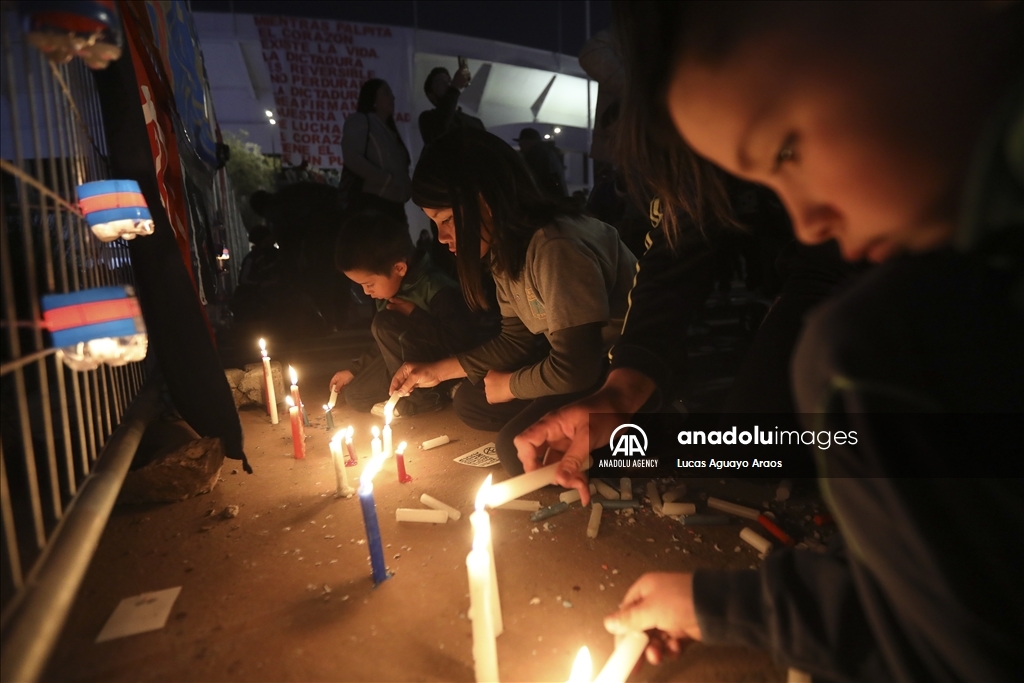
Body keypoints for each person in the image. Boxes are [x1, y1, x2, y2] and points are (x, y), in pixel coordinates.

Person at [517, 2, 1024, 682]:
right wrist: (619, 392)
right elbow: (685, 238)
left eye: (787, 150)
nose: (806, 221)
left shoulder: (875, 357)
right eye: (758, 180)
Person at [388, 127, 638, 473]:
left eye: (446, 220)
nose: (442, 237)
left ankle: (655, 434)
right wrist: (436, 371)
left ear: (485, 202)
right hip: (587, 372)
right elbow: (515, 339)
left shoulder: (555, 247)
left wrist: (510, 385)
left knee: (514, 450)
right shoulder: (507, 251)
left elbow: (577, 368)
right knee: (471, 402)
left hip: (620, 375)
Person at [329, 210, 484, 415]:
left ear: (399, 268)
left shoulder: (437, 289)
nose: (367, 292)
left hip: (440, 365)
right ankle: (406, 394)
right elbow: (385, 344)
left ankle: (428, 397)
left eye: (369, 284)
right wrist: (354, 370)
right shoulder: (389, 290)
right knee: (356, 395)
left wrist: (415, 315)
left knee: (383, 323)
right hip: (400, 364)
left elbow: (460, 341)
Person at [341, 79, 411, 224]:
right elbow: (352, 157)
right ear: (372, 98)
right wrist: (385, 179)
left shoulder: (392, 133)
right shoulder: (361, 121)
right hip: (371, 207)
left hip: (396, 209)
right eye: (386, 93)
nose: (392, 97)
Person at [418, 64, 484, 146]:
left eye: (449, 80)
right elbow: (438, 134)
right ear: (431, 95)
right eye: (440, 81)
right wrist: (455, 87)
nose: (447, 83)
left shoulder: (476, 122)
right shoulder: (427, 118)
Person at [515, 127, 568, 200]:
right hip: (554, 199)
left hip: (546, 200)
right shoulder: (548, 152)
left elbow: (537, 179)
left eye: (521, 144)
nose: (520, 148)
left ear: (527, 142)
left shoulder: (536, 154)